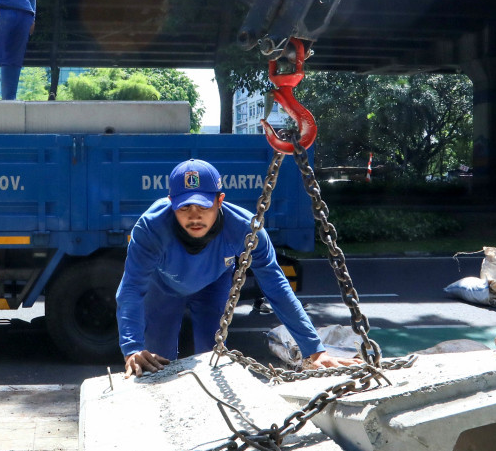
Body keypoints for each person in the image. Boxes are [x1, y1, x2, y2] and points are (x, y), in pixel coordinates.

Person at [117, 158, 355, 377]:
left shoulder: (245, 229)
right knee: (156, 361)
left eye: (203, 207)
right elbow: (131, 288)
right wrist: (132, 348)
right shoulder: (150, 228)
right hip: (163, 288)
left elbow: (276, 287)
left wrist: (315, 350)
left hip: (213, 285)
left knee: (210, 358)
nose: (194, 217)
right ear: (171, 203)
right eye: (184, 208)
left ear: (220, 200)